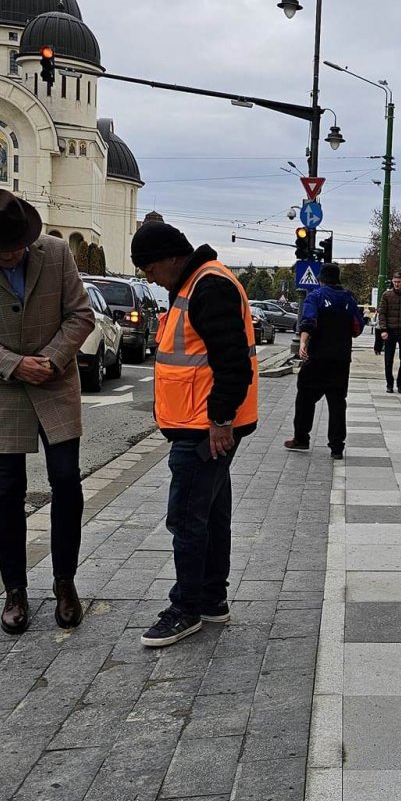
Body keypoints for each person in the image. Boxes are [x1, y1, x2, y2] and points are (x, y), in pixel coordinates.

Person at [0, 189, 94, 635]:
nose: (8, 257)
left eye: (14, 249)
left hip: (55, 379)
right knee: (7, 490)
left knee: (66, 480)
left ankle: (65, 584)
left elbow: (80, 315)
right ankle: (15, 592)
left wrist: (51, 359)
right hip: (1, 387)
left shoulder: (57, 253)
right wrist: (12, 363)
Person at [131, 221, 259, 648]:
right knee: (211, 512)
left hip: (204, 428)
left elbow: (232, 362)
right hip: (201, 423)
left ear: (172, 257)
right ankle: (210, 600)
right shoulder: (196, 283)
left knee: (186, 517)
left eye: (149, 268)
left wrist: (220, 420)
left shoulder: (208, 286)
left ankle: (185, 608)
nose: (148, 276)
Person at [284, 263, 365, 460]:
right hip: (341, 359)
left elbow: (309, 321)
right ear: (337, 279)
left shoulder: (316, 296)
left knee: (305, 397)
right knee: (338, 403)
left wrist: (303, 342)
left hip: (318, 358)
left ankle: (301, 438)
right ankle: (337, 447)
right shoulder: (349, 298)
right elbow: (358, 327)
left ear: (320, 280)